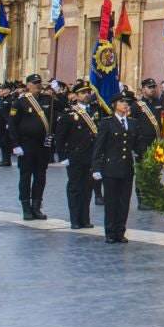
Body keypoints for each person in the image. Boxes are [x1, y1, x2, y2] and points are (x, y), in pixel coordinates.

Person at [92, 91, 140, 242]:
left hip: (126, 169)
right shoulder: (106, 123)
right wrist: (96, 167)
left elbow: (136, 145)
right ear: (114, 105)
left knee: (124, 202)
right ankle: (110, 232)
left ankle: (120, 231)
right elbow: (98, 147)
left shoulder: (132, 122)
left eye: (127, 102)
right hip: (111, 168)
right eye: (121, 102)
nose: (125, 104)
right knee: (111, 202)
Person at [8, 74, 53, 221]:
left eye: (39, 82)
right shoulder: (20, 102)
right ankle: (26, 207)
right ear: (28, 85)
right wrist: (15, 145)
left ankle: (36, 206)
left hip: (43, 145)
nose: (38, 85)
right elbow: (13, 125)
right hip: (26, 144)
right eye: (34, 83)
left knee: (40, 176)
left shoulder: (48, 100)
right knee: (26, 176)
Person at [55, 83, 99, 229]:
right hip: (75, 155)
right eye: (82, 93)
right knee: (75, 187)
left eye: (88, 92)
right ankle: (74, 219)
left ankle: (85, 218)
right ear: (76, 95)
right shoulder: (68, 113)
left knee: (87, 188)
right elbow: (60, 137)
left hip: (90, 156)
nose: (86, 95)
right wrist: (63, 157)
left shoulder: (95, 111)